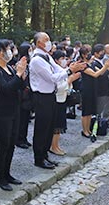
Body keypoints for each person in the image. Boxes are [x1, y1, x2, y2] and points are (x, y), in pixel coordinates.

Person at [29, 32, 85, 169]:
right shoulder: (37, 59)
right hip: (41, 96)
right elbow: (52, 77)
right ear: (39, 43)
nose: (49, 42)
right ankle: (39, 158)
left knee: (49, 127)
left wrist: (70, 68)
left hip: (51, 95)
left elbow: (58, 69)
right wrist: (69, 71)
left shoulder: (46, 56)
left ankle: (45, 155)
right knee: (42, 128)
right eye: (46, 40)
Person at [0, 39, 27, 191]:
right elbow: (5, 89)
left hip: (14, 110)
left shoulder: (10, 68)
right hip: (1, 112)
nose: (9, 52)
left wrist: (21, 74)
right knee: (3, 144)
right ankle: (0, 176)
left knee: (11, 144)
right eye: (6, 49)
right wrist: (18, 74)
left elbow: (19, 87)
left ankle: (7, 173)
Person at [50, 50, 81, 155]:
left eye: (65, 58)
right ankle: (52, 146)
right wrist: (69, 80)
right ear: (56, 60)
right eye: (62, 59)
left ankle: (56, 145)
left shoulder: (64, 70)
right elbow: (57, 87)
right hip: (56, 100)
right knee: (56, 125)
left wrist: (70, 82)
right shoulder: (54, 71)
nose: (64, 61)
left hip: (63, 99)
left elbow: (68, 88)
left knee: (60, 125)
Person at [79, 45, 109, 138]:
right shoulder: (82, 65)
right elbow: (95, 74)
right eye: (87, 53)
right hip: (86, 89)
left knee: (90, 111)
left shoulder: (91, 63)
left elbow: (101, 72)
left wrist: (107, 67)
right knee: (85, 111)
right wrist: (106, 66)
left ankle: (89, 129)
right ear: (83, 55)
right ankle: (84, 130)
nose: (89, 55)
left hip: (93, 88)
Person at [16, 42, 33, 149]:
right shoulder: (21, 63)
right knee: (21, 118)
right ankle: (19, 139)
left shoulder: (30, 61)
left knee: (26, 117)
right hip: (23, 94)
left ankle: (24, 137)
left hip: (28, 93)